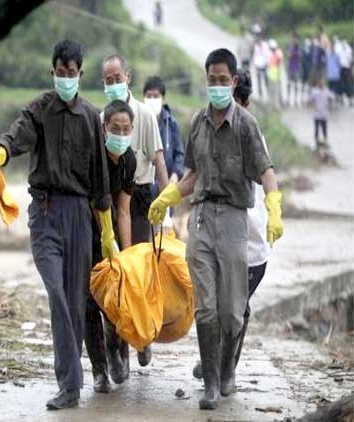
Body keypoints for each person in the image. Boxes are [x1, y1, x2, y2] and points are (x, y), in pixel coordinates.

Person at [148, 48, 283, 411]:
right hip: (203, 219)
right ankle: (210, 384)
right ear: (206, 80)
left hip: (236, 220)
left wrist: (273, 206)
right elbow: (192, 175)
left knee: (232, 310)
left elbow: (265, 171)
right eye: (212, 80)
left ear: (234, 81)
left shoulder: (245, 125)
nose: (218, 86)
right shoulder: (198, 124)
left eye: (224, 80)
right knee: (205, 309)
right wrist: (168, 196)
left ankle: (227, 371)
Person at [0, 40, 114, 410]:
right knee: (57, 293)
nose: (66, 78)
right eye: (60, 73)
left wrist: (106, 233)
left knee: (75, 302)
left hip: (79, 216)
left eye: (72, 73)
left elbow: (100, 183)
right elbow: (17, 133)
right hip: (44, 213)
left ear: (81, 74)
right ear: (52, 72)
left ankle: (70, 389)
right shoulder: (40, 109)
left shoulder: (92, 118)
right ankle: (72, 381)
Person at [192, 68, 271, 383]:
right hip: (218, 235)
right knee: (214, 304)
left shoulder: (250, 137)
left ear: (245, 104)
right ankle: (217, 365)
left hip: (247, 241)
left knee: (235, 307)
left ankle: (226, 368)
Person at [101, 53, 168, 368]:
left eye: (118, 77)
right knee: (114, 278)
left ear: (128, 76)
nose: (114, 83)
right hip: (110, 199)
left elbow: (159, 163)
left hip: (140, 201)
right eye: (108, 80)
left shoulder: (145, 115)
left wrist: (165, 205)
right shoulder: (103, 118)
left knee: (139, 276)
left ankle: (142, 337)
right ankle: (119, 351)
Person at [85, 100, 137, 394]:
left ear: (132, 129)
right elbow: (96, 201)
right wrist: (105, 237)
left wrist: (126, 253)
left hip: (114, 233)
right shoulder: (95, 157)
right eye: (114, 128)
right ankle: (99, 370)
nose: (120, 133)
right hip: (88, 232)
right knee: (90, 302)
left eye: (125, 128)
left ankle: (117, 348)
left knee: (118, 298)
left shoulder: (129, 160)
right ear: (104, 128)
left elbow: (125, 210)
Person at [143, 76, 184, 191]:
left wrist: (175, 175)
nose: (152, 99)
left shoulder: (171, 123)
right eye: (148, 96)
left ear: (163, 98)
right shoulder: (138, 122)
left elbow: (179, 154)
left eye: (155, 96)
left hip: (166, 187)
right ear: (143, 98)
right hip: (142, 189)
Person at [309, 78, 335, 160]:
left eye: (323, 82)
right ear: (318, 83)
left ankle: (325, 141)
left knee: (324, 129)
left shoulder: (326, 91)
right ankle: (316, 142)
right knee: (316, 129)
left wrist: (329, 106)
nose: (321, 84)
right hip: (317, 114)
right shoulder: (314, 91)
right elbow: (311, 100)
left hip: (324, 114)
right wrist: (313, 106)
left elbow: (332, 98)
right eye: (320, 82)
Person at [267, 39, 284, 109]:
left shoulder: (278, 53)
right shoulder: (272, 53)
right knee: (272, 92)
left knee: (277, 92)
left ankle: (278, 107)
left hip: (276, 76)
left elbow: (279, 65)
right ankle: (272, 106)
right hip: (271, 76)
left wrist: (278, 75)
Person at [287, 32, 302, 107]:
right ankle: (289, 100)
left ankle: (296, 101)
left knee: (296, 85)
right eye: (294, 39)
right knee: (289, 84)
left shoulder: (299, 47)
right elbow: (289, 56)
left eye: (296, 39)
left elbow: (300, 56)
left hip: (296, 68)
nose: (295, 40)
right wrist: (293, 52)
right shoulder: (290, 47)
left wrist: (296, 51)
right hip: (290, 67)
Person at [252, 36, 270, 100]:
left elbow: (267, 54)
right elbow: (255, 55)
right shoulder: (256, 46)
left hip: (264, 64)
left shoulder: (265, 45)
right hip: (258, 64)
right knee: (259, 79)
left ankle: (268, 91)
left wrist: (267, 63)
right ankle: (260, 94)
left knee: (265, 78)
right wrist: (254, 64)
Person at [337, 38, 353, 106]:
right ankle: (341, 99)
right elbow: (338, 59)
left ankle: (350, 100)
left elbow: (350, 59)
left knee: (348, 84)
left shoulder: (348, 49)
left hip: (347, 68)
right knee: (341, 84)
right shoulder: (340, 50)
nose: (343, 44)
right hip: (341, 68)